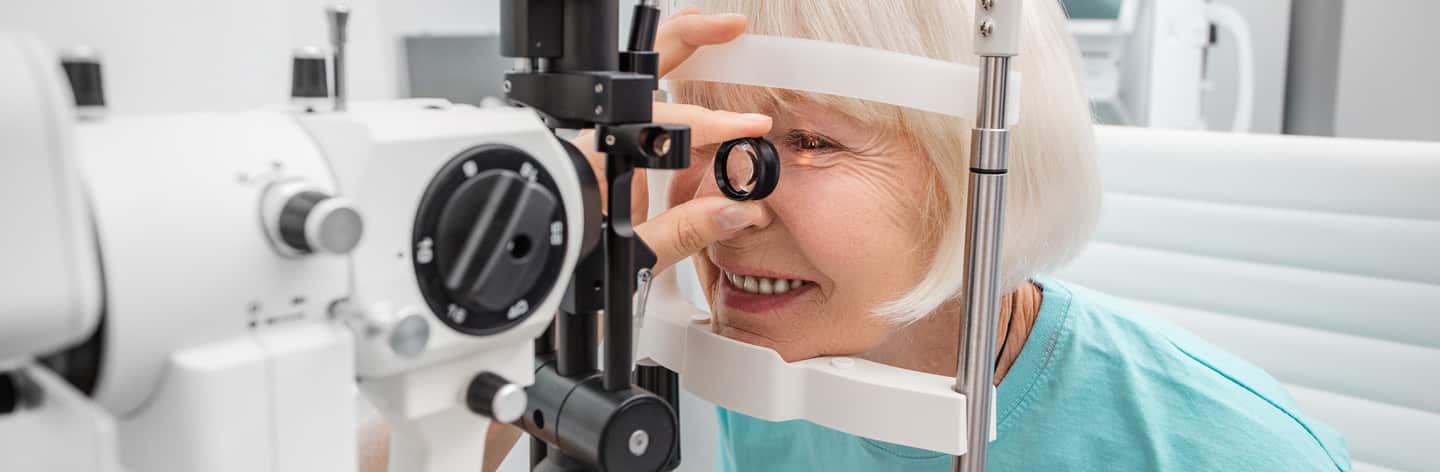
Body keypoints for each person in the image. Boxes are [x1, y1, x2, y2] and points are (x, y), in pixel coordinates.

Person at [364, 2, 1352, 471]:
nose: (726, 205)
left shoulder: (1227, 450)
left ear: (978, 160)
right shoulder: (712, 356)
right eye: (703, 135)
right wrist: (554, 279)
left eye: (806, 140)